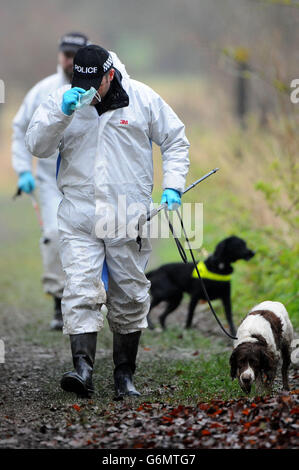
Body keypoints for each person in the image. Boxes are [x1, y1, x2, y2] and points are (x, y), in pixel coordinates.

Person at [25, 45, 190, 399]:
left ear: (109, 75)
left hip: (127, 216)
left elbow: (175, 140)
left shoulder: (142, 99)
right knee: (81, 290)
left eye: (93, 84)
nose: (86, 91)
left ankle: (124, 376)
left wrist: (173, 186)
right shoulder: (62, 102)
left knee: (129, 294)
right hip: (79, 214)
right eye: (78, 83)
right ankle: (82, 370)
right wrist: (61, 113)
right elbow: (37, 146)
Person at [12, 34, 123, 330]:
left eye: (76, 54)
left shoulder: (105, 90)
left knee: (96, 239)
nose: (70, 60)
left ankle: (101, 300)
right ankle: (59, 300)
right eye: (66, 54)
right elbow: (22, 129)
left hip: (87, 183)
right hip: (49, 179)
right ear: (59, 55)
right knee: (53, 234)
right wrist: (23, 169)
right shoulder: (44, 91)